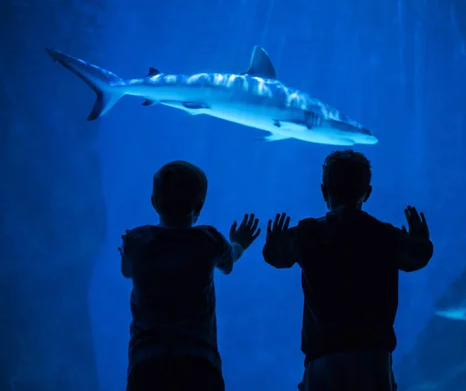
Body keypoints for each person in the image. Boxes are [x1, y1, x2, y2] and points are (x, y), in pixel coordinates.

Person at [263, 150, 434, 391]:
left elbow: (276, 257)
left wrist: (274, 242)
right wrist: (421, 239)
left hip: (324, 357)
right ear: (368, 192)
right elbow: (417, 258)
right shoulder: (385, 236)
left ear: (324, 191)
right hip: (374, 359)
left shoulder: (308, 233)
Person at [119, 160, 261, 391]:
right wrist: (239, 243)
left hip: (146, 361)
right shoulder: (209, 239)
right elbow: (229, 263)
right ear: (200, 206)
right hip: (198, 361)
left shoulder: (136, 239)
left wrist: (126, 250)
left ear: (153, 202)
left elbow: (126, 271)